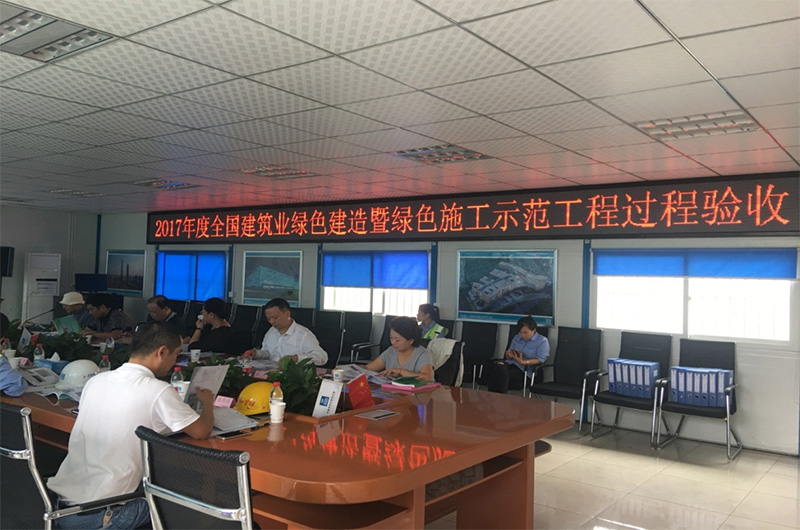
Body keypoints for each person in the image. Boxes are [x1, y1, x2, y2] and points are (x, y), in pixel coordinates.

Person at [47, 321, 214, 529]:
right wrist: (208, 404)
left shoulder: (96, 381)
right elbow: (201, 431)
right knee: (191, 497)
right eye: (176, 354)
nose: (174, 361)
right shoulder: (158, 390)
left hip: (61, 509)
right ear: (162, 352)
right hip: (106, 515)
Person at [246, 298, 327, 366]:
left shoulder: (304, 335)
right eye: (269, 319)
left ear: (287, 314)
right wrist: (256, 354)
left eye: (275, 317)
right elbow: (268, 353)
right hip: (272, 372)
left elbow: (322, 357)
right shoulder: (271, 332)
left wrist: (296, 358)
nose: (272, 322)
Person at [487, 316, 550, 394]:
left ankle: (495, 398)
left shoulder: (542, 341)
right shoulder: (517, 338)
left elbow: (540, 359)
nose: (522, 335)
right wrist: (509, 355)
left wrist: (523, 362)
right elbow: (508, 357)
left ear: (534, 330)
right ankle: (497, 397)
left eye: (525, 333)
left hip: (525, 370)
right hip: (511, 365)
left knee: (499, 375)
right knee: (499, 368)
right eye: (520, 332)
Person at [365, 316, 434, 380]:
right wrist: (358, 369)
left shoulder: (422, 354)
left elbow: (428, 377)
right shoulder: (391, 351)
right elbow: (368, 368)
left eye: (397, 340)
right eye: (391, 338)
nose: (393, 342)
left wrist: (400, 371)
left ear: (411, 341)